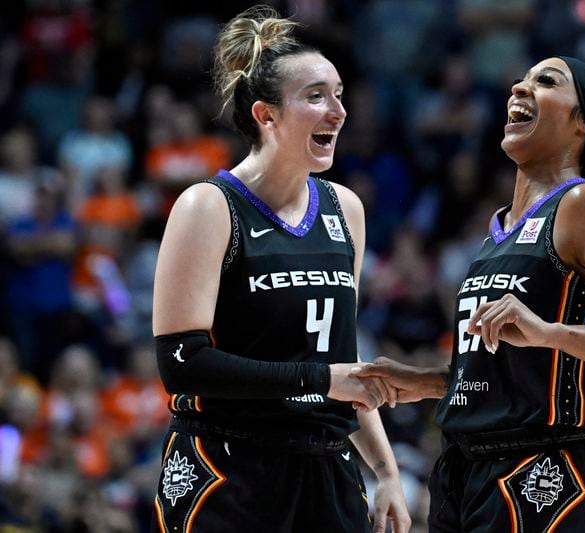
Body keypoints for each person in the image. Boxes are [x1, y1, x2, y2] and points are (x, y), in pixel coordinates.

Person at [353, 56, 585, 531]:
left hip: (535, 466)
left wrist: (549, 332)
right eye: (521, 80)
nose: (518, 88)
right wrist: (425, 381)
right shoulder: (499, 228)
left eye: (545, 82)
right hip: (462, 467)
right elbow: (513, 369)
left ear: (582, 124)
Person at [150, 7, 409, 533]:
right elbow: (182, 364)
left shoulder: (345, 209)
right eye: (316, 96)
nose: (338, 110)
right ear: (266, 115)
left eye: (339, 94)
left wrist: (385, 471)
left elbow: (342, 361)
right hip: (229, 465)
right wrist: (321, 379)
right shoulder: (209, 206)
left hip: (327, 466)